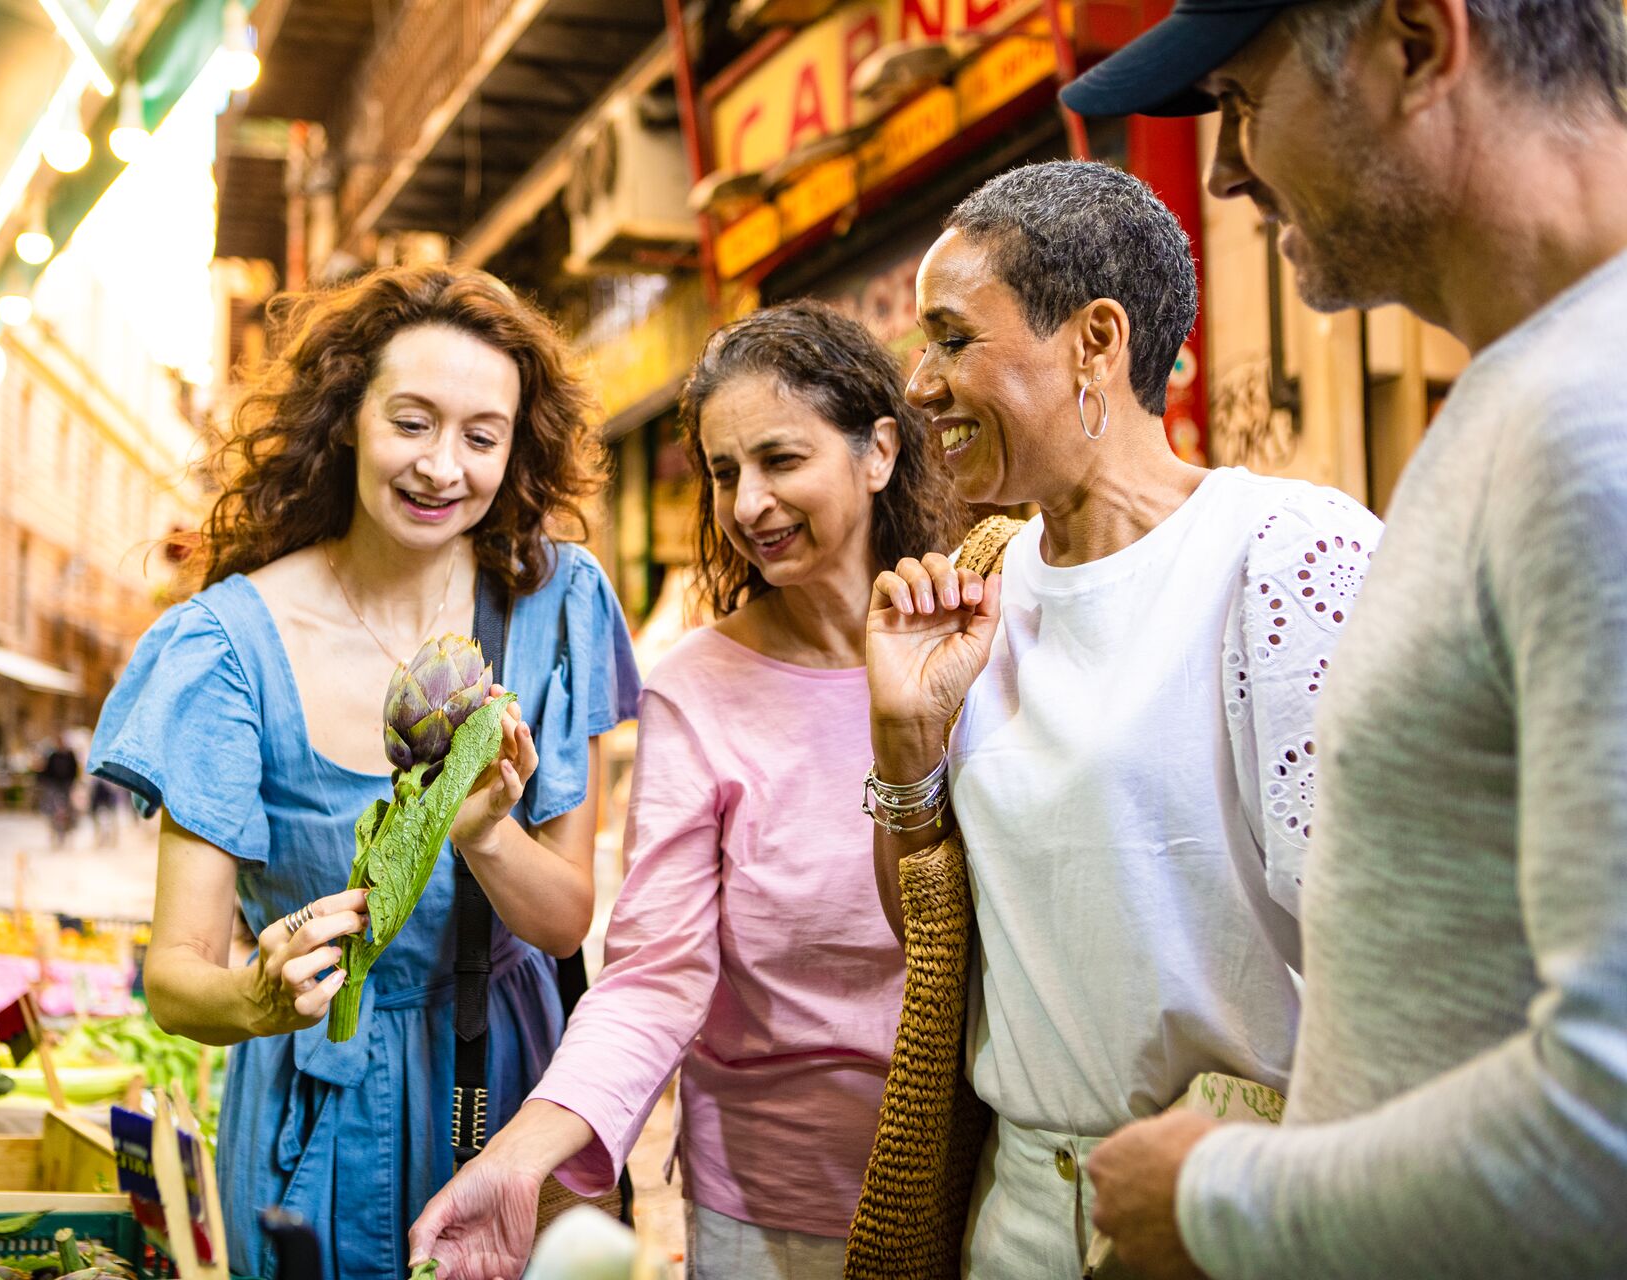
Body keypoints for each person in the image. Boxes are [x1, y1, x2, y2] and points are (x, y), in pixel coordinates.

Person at [1055, 4, 1627, 1278]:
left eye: (1243, 99)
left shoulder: (1592, 426)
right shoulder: (1527, 397)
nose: (1223, 171)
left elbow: (1612, 1117)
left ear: (1418, 44)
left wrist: (1225, 1199)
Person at [863, 160, 1382, 1279]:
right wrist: (905, 744)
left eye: (953, 338)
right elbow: (941, 950)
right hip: (1018, 1215)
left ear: (1096, 340)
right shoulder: (980, 580)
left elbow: (1390, 957)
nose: (919, 382)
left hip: (1224, 1209)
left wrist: (1251, 1187)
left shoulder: (1282, 555)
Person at [88, 266, 641, 1280]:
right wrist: (256, 997)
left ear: (516, 446)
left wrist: (480, 831)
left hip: (505, 1089)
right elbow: (175, 975)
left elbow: (565, 918)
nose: (443, 466)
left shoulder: (555, 604)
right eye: (412, 422)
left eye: (482, 435)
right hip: (316, 1110)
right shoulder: (226, 647)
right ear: (348, 419)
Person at [407, 302, 966, 1279]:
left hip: (977, 1183)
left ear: (878, 451)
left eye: (780, 460)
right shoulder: (696, 686)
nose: (749, 502)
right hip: (767, 1214)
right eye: (722, 472)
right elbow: (655, 972)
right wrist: (517, 1155)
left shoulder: (972, 638)